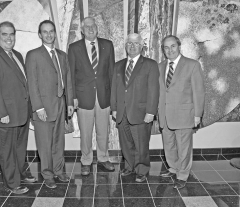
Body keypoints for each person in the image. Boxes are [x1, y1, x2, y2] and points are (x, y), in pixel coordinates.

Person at [0, 21, 36, 195]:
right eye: (4, 34)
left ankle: (20, 174)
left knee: (19, 148)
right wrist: (1, 112)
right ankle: (12, 183)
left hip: (21, 112)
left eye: (11, 34)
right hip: (6, 115)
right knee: (7, 151)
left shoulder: (17, 55)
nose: (9, 38)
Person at [26, 20, 74, 189]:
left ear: (55, 33)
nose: (48, 34)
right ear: (40, 35)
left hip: (61, 104)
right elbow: (32, 83)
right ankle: (47, 174)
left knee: (59, 141)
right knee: (45, 143)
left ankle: (59, 171)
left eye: (51, 31)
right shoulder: (33, 55)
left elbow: (68, 80)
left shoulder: (62, 55)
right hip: (43, 108)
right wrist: (38, 107)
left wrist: (69, 102)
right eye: (45, 32)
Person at [68, 17, 115, 175]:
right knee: (86, 132)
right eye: (87, 27)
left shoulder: (107, 45)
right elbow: (71, 76)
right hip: (83, 97)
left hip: (104, 96)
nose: (90, 29)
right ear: (82, 30)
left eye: (93, 26)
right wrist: (73, 96)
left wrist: (113, 98)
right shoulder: (74, 48)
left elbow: (111, 73)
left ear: (97, 28)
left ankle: (103, 158)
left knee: (103, 131)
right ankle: (86, 160)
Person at [111, 33, 159, 182]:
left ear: (142, 46)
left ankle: (142, 169)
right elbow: (114, 88)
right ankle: (129, 166)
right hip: (122, 112)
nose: (132, 46)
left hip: (141, 112)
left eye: (136, 43)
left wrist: (151, 111)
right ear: (126, 46)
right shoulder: (118, 65)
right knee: (125, 143)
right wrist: (114, 107)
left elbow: (153, 90)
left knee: (141, 144)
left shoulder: (150, 64)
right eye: (129, 43)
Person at [158, 35, 205, 189]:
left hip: (185, 114)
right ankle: (173, 168)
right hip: (165, 114)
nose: (170, 50)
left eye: (173, 46)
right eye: (166, 47)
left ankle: (183, 174)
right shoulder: (160, 67)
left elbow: (199, 92)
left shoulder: (192, 65)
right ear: (163, 50)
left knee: (183, 147)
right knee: (169, 145)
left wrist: (197, 114)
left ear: (179, 46)